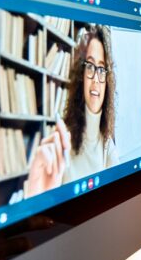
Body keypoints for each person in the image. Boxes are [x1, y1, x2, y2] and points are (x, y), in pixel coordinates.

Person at [26, 25, 119, 195]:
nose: (96, 79)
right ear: (81, 75)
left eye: (102, 68)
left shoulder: (108, 146)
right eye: (90, 66)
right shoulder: (61, 140)